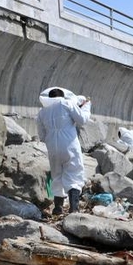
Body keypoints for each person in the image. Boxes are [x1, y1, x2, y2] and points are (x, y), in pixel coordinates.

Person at [37, 87, 91, 215]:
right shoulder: (67, 103)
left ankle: (58, 208)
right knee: (74, 173)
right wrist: (86, 106)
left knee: (57, 175)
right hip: (69, 144)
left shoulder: (42, 112)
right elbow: (82, 120)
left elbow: (42, 136)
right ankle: (74, 208)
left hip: (52, 148)